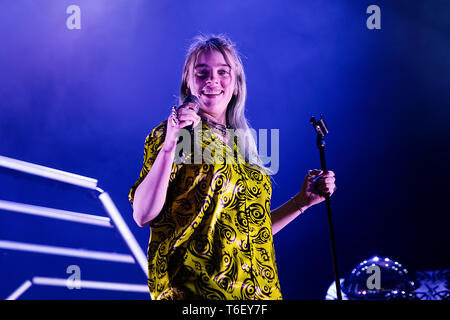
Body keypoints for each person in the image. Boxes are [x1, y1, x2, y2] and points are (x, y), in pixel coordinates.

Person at [128, 34, 336, 300]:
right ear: (188, 83)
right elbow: (142, 214)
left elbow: (250, 231)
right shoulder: (176, 135)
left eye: (222, 72)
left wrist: (302, 202)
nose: (212, 80)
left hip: (258, 294)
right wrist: (170, 144)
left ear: (236, 85)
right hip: (196, 294)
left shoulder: (243, 145)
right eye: (201, 73)